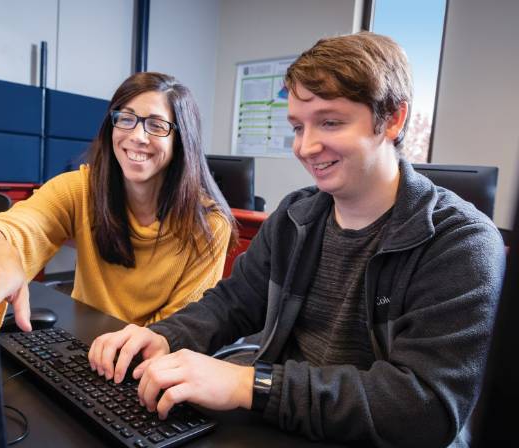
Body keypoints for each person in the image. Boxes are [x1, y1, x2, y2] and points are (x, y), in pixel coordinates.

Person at [87, 32, 506, 447]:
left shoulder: (462, 244)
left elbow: (424, 408)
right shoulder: (295, 216)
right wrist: (166, 335)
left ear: (393, 119)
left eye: (330, 122)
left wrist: (252, 384)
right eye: (296, 126)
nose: (306, 147)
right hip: (286, 424)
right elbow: (233, 302)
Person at [0, 72, 237, 331]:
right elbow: (19, 225)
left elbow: (178, 331)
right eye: (126, 119)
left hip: (152, 360)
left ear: (181, 139)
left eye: (156, 125)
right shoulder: (80, 189)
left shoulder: (209, 224)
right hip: (82, 343)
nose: (138, 136)